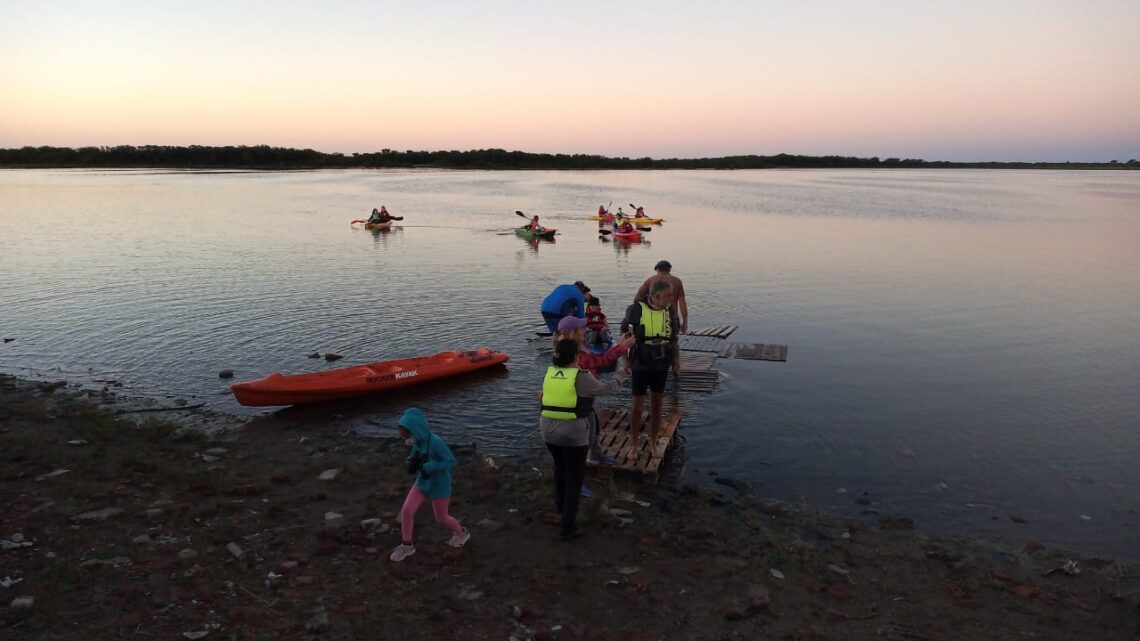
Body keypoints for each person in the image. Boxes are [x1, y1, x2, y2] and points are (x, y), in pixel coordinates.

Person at [540, 338, 625, 540]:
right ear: (576, 357)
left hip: (547, 431)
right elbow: (605, 389)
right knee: (574, 480)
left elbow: (541, 397)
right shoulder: (581, 377)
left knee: (560, 469)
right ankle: (568, 528)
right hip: (572, 435)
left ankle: (560, 508)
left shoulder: (550, 372)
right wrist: (621, 377)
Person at [389, 408, 470, 562]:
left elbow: (451, 461)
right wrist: (410, 462)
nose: (406, 439)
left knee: (441, 518)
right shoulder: (417, 442)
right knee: (407, 510)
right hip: (422, 482)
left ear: (415, 430)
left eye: (407, 435)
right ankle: (407, 545)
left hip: (439, 485)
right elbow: (414, 457)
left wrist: (433, 466)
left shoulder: (436, 442)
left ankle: (461, 532)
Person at [554, 315, 634, 467]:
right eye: (581, 329)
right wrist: (623, 347)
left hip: (585, 398)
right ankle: (577, 473)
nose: (585, 330)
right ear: (573, 333)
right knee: (583, 438)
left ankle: (596, 454)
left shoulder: (566, 350)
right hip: (578, 403)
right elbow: (600, 361)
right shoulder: (578, 356)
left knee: (595, 423)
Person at [620, 279, 679, 461]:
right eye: (668, 295)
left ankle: (653, 441)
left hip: (661, 362)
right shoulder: (636, 310)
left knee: (657, 405)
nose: (671, 298)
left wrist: (677, 361)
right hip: (641, 362)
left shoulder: (669, 311)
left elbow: (673, 339)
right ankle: (635, 444)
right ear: (655, 296)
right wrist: (625, 362)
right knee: (637, 406)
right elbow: (623, 336)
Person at [633, 260, 688, 334]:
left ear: (657, 269)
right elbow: (682, 303)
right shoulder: (677, 281)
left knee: (652, 340)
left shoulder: (650, 280)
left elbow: (637, 298)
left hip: (652, 317)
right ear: (669, 269)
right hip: (672, 318)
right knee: (672, 341)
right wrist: (685, 322)